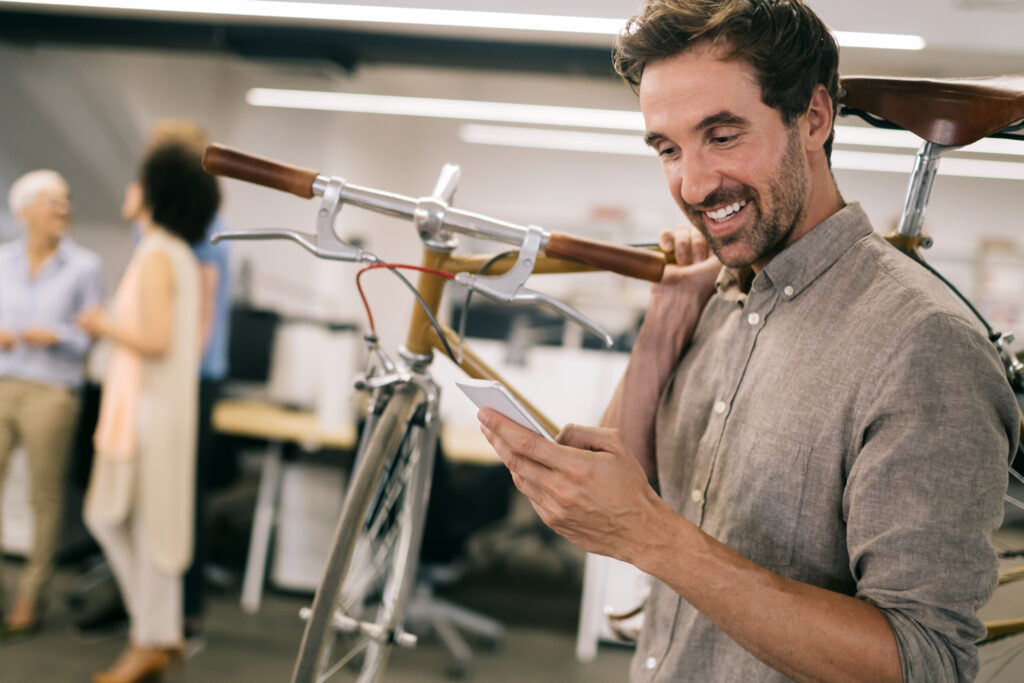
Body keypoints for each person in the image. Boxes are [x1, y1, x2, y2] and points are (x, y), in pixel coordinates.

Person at [476, 1, 1018, 682]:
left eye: (723, 135)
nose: (693, 184)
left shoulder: (921, 344)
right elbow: (632, 489)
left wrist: (656, 538)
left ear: (814, 118)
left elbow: (923, 662)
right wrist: (665, 325)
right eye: (668, 148)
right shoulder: (719, 295)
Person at [77, 142, 217, 683]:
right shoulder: (172, 251)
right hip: (151, 408)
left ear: (157, 192)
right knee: (121, 519)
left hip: (149, 413)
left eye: (139, 180)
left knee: (139, 525)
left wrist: (101, 325)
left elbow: (154, 339)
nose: (130, 189)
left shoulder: (159, 252)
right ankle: (157, 635)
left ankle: (151, 639)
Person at [120, 119, 232, 641]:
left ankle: (182, 615)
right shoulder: (164, 227)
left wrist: (180, 377)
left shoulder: (200, 224)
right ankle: (147, 608)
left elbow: (202, 311)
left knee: (180, 493)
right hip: (165, 376)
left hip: (190, 378)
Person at [0, 170, 103, 638]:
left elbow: (91, 335)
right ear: (23, 211)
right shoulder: (2, 260)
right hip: (4, 382)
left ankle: (30, 598)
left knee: (44, 498)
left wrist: (58, 335)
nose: (62, 209)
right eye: (50, 202)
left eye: (65, 201)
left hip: (53, 392)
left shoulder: (85, 267)